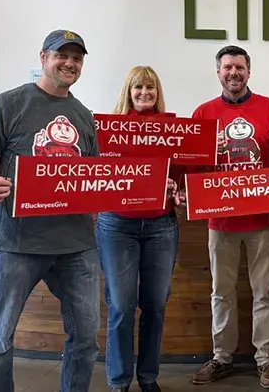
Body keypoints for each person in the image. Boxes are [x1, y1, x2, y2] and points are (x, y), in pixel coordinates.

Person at [0, 30, 101, 392]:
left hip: (76, 245)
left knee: (86, 338)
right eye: (61, 55)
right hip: (16, 242)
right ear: (43, 58)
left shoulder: (84, 116)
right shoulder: (8, 104)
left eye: (77, 58)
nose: (69, 63)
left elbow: (92, 178)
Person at [187, 45, 269, 388]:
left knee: (264, 294)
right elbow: (194, 169)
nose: (234, 73)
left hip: (262, 221)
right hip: (220, 223)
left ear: (248, 71)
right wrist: (205, 158)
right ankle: (222, 357)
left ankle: (265, 359)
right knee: (221, 293)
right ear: (218, 72)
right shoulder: (203, 113)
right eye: (228, 67)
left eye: (240, 67)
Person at [97, 66, 186, 392]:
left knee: (155, 305)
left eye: (150, 87)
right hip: (117, 225)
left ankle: (148, 377)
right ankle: (119, 380)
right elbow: (97, 170)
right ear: (129, 92)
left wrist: (178, 187)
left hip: (161, 225)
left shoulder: (175, 128)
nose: (145, 93)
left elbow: (183, 170)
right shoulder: (108, 128)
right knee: (121, 306)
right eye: (138, 87)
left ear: (158, 92)